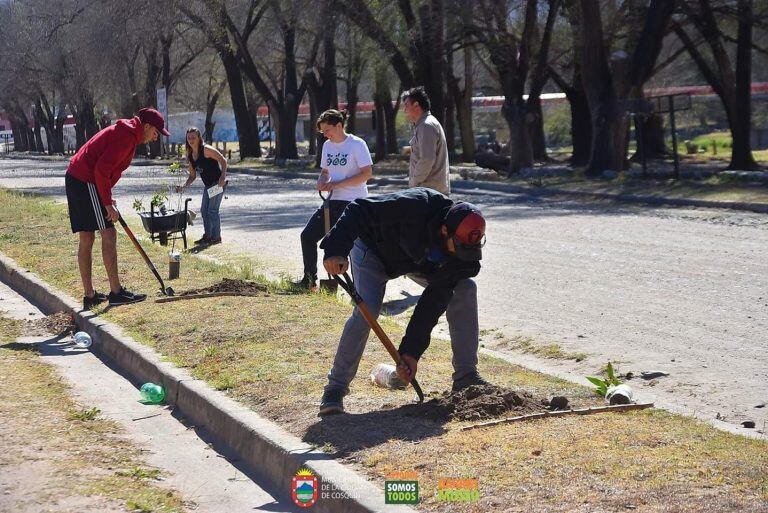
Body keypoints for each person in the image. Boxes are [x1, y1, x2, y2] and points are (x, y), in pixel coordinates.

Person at [318, 187, 489, 415]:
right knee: (367, 309)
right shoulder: (415, 206)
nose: (461, 255)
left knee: (465, 287)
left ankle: (466, 376)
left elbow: (433, 302)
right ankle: (335, 388)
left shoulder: (461, 256)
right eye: (458, 247)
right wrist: (335, 250)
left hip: (414, 260)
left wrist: (410, 352)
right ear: (444, 229)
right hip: (373, 251)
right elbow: (359, 210)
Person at [65, 107, 169, 308]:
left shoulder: (128, 134)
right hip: (85, 180)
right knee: (108, 234)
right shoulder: (126, 137)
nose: (156, 137)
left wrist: (107, 198)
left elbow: (109, 171)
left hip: (78, 178)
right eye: (156, 132)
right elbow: (101, 170)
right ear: (146, 126)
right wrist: (106, 202)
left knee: (88, 236)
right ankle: (116, 292)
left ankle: (91, 295)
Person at [294, 109, 373, 290]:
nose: (326, 135)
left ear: (339, 125)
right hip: (331, 202)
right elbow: (325, 172)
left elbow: (366, 174)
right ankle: (309, 280)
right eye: (323, 132)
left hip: (354, 204)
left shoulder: (356, 144)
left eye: (328, 130)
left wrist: (337, 184)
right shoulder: (328, 146)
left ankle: (359, 289)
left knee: (353, 247)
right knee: (307, 236)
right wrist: (321, 181)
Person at [176, 127, 228, 245]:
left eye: (194, 137)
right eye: (189, 137)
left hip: (217, 183)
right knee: (204, 211)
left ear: (199, 138)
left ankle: (216, 237)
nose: (191, 140)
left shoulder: (206, 150)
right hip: (208, 185)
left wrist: (223, 177)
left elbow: (223, 160)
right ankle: (208, 236)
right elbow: (192, 176)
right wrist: (183, 186)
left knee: (212, 211)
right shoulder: (191, 155)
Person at [401, 86, 450, 195]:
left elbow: (427, 159)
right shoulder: (425, 124)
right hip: (430, 192)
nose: (405, 111)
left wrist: (413, 183)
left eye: (406, 106)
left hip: (429, 194)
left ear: (416, 105)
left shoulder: (426, 125)